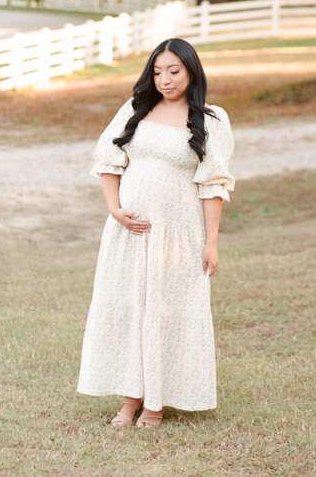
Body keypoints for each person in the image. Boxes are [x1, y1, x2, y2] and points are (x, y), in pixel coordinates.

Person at [77, 37, 234, 429]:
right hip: (129, 233)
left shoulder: (212, 120)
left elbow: (212, 185)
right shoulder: (135, 110)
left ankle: (155, 403)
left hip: (179, 234)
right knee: (130, 308)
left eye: (174, 71)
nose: (165, 79)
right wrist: (115, 211)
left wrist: (211, 243)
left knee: (167, 312)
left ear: (192, 71)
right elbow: (110, 162)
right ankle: (131, 397)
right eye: (158, 71)